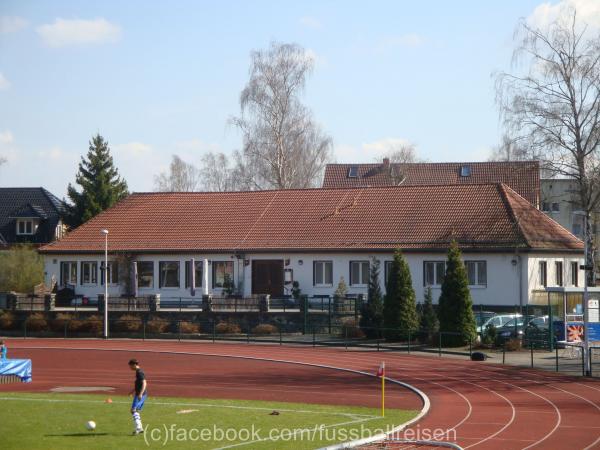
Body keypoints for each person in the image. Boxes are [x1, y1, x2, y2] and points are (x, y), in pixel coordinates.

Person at [128, 358, 147, 435]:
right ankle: (140, 428)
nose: (130, 368)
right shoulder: (138, 372)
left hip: (140, 394)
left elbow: (144, 383)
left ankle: (138, 428)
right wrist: (132, 391)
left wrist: (140, 394)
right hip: (141, 394)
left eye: (130, 366)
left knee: (133, 410)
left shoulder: (139, 372)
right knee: (136, 411)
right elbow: (138, 384)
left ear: (134, 365)